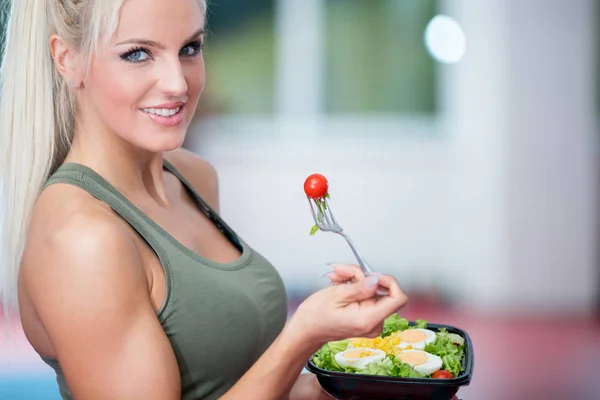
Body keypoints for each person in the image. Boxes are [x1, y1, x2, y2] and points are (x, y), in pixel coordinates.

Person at [0, 1, 408, 399]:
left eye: (190, 49)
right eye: (138, 54)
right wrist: (304, 334)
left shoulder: (193, 177)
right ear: (66, 58)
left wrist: (345, 386)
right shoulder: (80, 239)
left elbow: (228, 384)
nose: (178, 83)